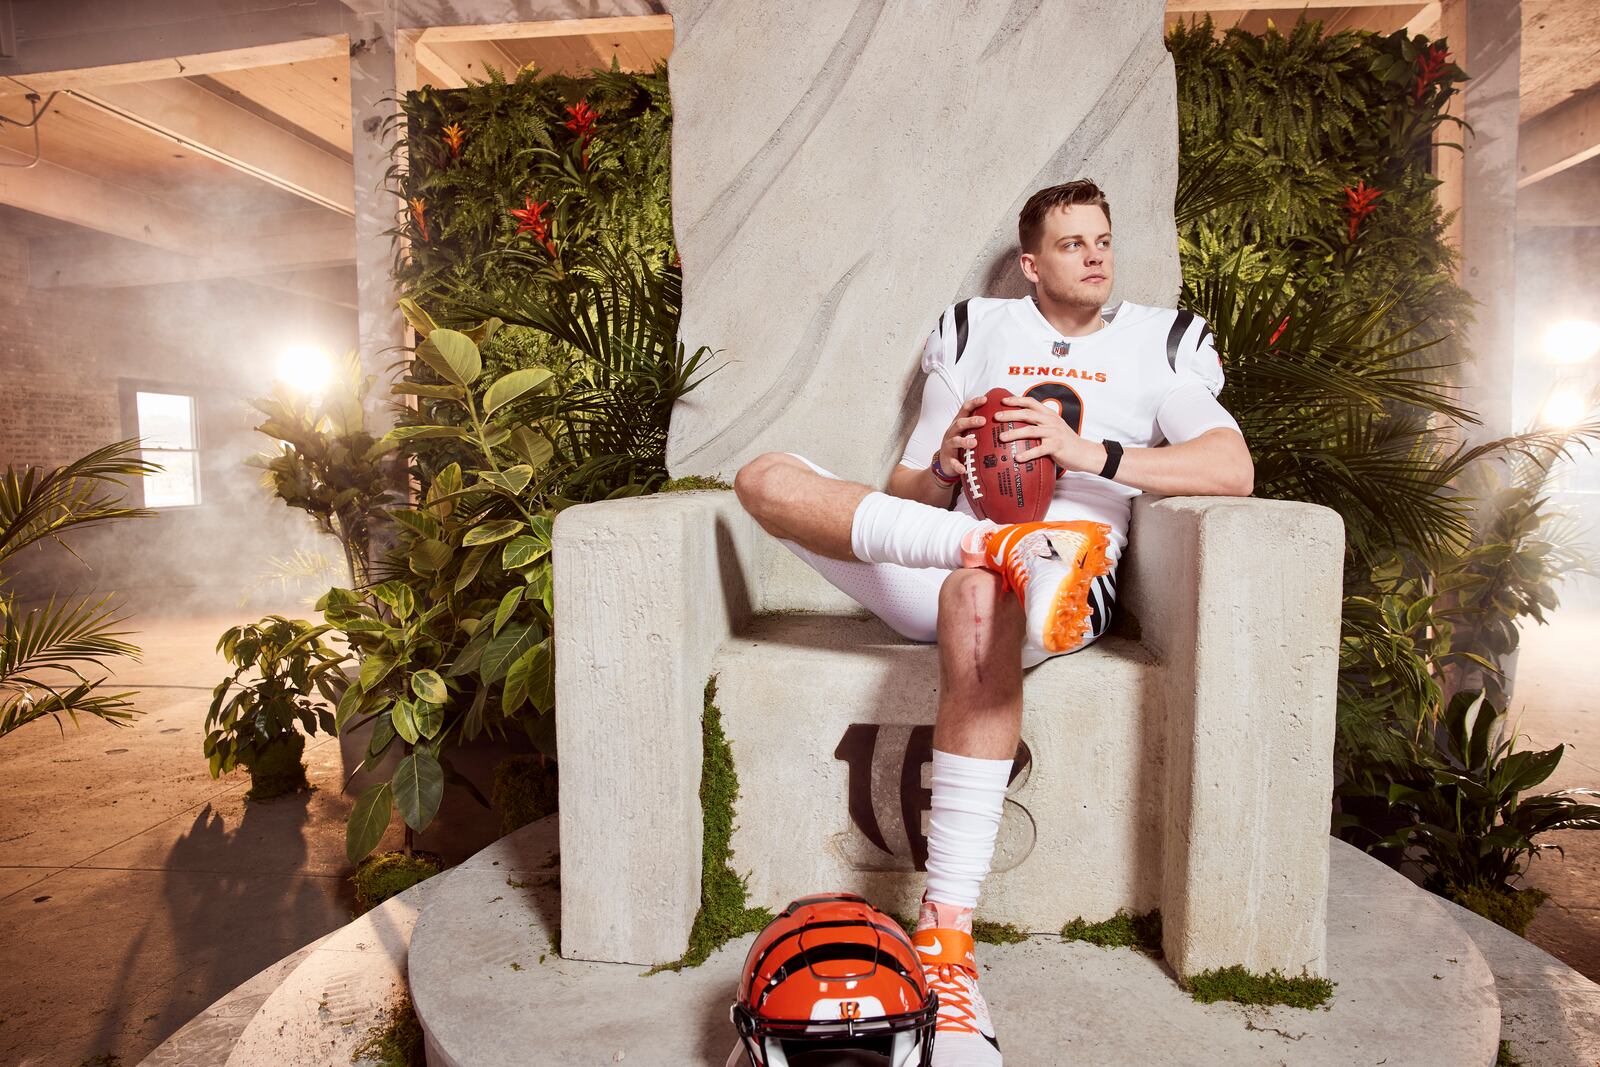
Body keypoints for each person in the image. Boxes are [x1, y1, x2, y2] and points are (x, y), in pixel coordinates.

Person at [732, 180, 1254, 1066]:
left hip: (1063, 574)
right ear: (1030, 262)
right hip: (953, 548)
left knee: (981, 594)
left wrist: (1086, 453)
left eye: (1103, 239)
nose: (1095, 254)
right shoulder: (977, 332)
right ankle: (997, 546)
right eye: (1072, 242)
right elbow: (906, 494)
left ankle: (946, 936)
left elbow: (1232, 466)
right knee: (763, 479)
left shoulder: (1159, 344)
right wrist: (943, 460)